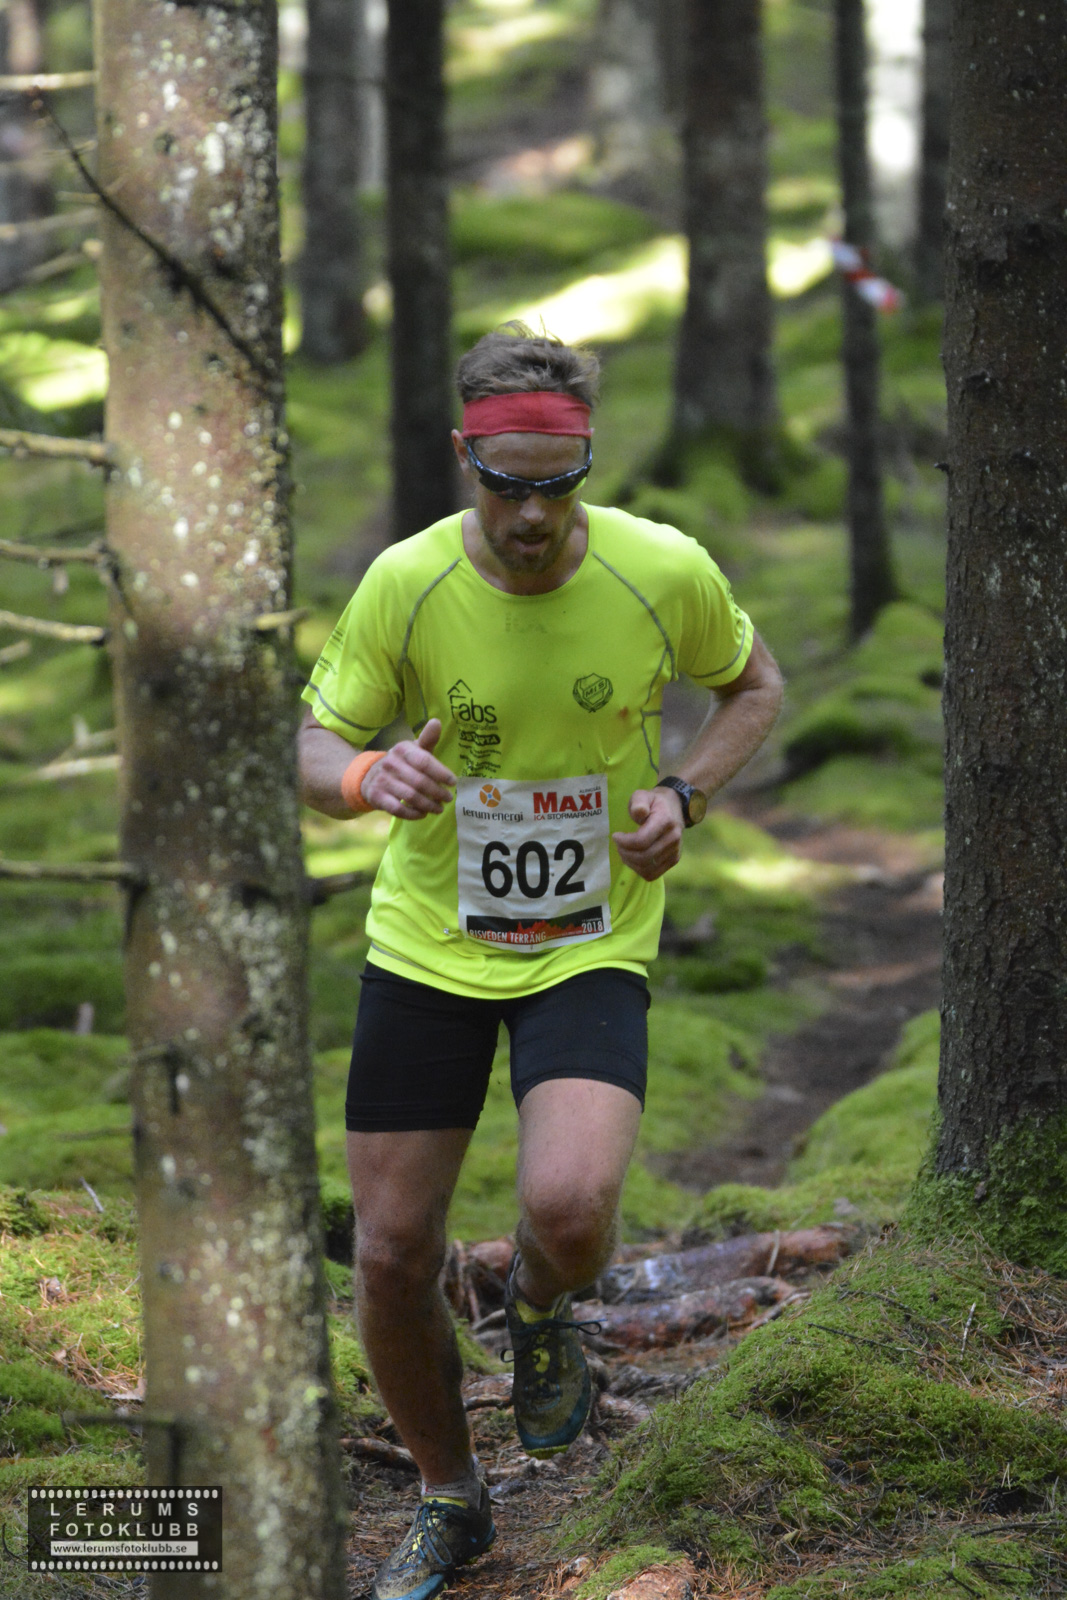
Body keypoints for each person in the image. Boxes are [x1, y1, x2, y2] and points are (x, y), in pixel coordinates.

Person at [298, 324, 782, 1600]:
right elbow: (310, 742)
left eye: (553, 486)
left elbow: (751, 685)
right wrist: (364, 774)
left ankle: (535, 1301)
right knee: (391, 1253)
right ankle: (449, 1497)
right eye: (502, 484)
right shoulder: (404, 581)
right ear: (466, 458)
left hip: (588, 942)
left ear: (585, 466)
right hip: (426, 945)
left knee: (568, 1210)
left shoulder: (657, 568)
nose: (526, 515)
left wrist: (683, 792)